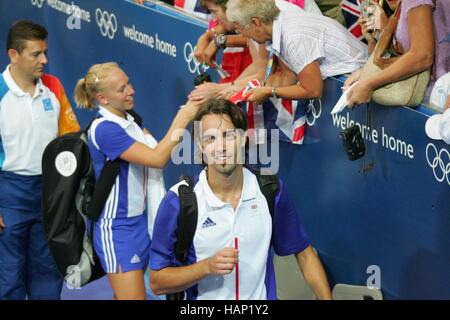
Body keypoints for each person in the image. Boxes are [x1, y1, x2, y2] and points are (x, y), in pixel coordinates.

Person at [149, 98, 332, 300]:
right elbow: (157, 282)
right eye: (210, 139)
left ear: (243, 138)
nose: (221, 147)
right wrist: (206, 267)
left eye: (228, 136)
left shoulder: (270, 191)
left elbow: (304, 254)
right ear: (200, 146)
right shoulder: (178, 201)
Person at [74, 62, 200, 300]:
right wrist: (185, 115)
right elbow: (157, 158)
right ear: (103, 98)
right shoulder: (105, 130)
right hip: (117, 230)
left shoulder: (131, 119)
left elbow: (161, 149)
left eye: (129, 83)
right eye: (121, 89)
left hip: (141, 222)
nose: (131, 90)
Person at [0, 20, 80, 300]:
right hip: (9, 194)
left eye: (45, 52)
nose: (44, 60)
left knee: (49, 270)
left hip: (51, 194)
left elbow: (71, 143)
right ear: (14, 55)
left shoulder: (54, 86)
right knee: (9, 274)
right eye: (36, 54)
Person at [226, 0, 366, 104]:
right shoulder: (279, 20)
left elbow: (313, 90)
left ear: (256, 23)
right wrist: (249, 91)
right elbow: (291, 76)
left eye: (240, 29)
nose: (242, 35)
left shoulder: (293, 38)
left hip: (359, 75)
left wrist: (270, 92)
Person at [190, 0, 323, 102]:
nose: (213, 19)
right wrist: (226, 91)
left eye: (215, 11)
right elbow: (260, 68)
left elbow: (270, 75)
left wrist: (221, 90)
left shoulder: (263, 17)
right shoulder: (252, 14)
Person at [344, 0, 450, 107]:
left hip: (438, 93)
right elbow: (405, 57)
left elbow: (422, 56)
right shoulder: (405, 8)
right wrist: (375, 39)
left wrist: (369, 84)